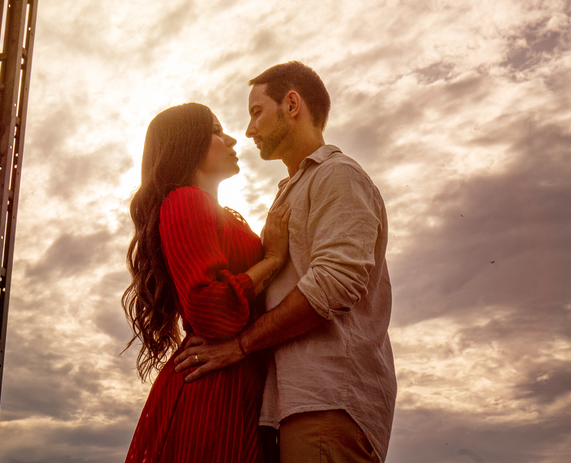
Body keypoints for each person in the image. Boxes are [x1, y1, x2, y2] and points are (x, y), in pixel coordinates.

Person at [173, 62, 396, 463]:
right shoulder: (291, 191)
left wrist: (240, 345)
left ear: (292, 105)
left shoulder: (338, 176)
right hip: (289, 407)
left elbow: (334, 283)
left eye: (257, 112)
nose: (248, 130)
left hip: (327, 402)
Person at [123, 102, 292, 463]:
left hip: (238, 377)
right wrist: (272, 260)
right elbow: (208, 308)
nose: (231, 138)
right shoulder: (185, 200)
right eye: (216, 132)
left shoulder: (221, 213)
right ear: (187, 144)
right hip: (216, 387)